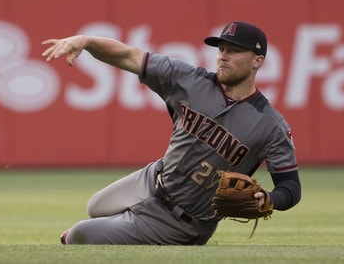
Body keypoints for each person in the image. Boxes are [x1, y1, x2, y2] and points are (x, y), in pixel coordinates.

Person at [41, 21, 301, 245]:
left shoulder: (271, 125)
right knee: (94, 206)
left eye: (234, 51)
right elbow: (129, 56)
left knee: (78, 235)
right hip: (155, 178)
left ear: (258, 61)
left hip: (184, 223)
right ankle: (131, 220)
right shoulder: (188, 80)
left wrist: (269, 199)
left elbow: (291, 187)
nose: (223, 55)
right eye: (221, 49)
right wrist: (86, 41)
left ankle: (135, 224)